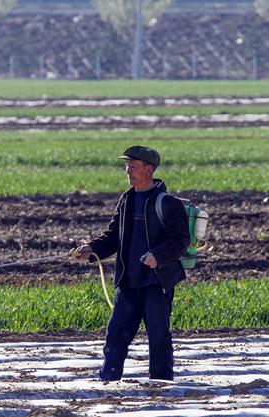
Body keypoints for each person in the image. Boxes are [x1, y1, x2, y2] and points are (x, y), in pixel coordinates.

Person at [73, 145, 190, 382]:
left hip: (156, 284)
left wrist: (158, 255)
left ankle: (162, 385)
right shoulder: (126, 199)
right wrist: (92, 249)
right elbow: (114, 236)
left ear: (148, 169)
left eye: (133, 166)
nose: (128, 171)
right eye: (127, 166)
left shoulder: (168, 203)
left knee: (158, 339)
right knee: (115, 337)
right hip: (128, 281)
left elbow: (181, 241)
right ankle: (107, 382)